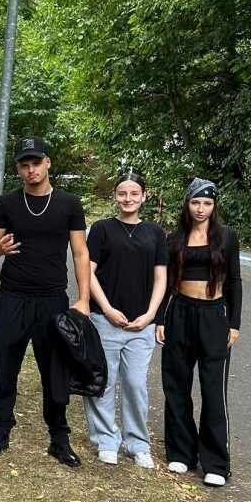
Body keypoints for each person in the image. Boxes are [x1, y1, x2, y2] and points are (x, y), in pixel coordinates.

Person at [0, 136, 90, 467]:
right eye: (24, 165)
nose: (31, 170)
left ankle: (59, 439)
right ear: (18, 169)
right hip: (12, 297)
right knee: (6, 369)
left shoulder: (69, 203)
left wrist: (83, 298)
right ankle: (0, 432)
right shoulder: (8, 203)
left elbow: (81, 252)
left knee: (55, 373)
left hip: (52, 300)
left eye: (36, 163)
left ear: (48, 163)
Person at [157, 178, 241, 487]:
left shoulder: (227, 238)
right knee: (176, 384)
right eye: (195, 202)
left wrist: (234, 323)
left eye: (207, 203)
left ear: (214, 205)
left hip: (213, 315)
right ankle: (181, 452)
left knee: (213, 390)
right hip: (179, 312)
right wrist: (160, 319)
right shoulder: (174, 238)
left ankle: (216, 462)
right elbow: (165, 283)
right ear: (187, 204)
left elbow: (235, 282)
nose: (201, 208)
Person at [83, 172, 167, 469]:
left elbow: (161, 277)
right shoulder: (102, 230)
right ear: (115, 197)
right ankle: (106, 439)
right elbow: (88, 272)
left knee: (135, 384)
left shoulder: (155, 233)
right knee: (102, 382)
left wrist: (150, 315)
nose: (128, 199)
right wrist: (106, 309)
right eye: (122, 193)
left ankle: (137, 443)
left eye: (134, 193)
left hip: (141, 325)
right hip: (106, 321)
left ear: (144, 196)